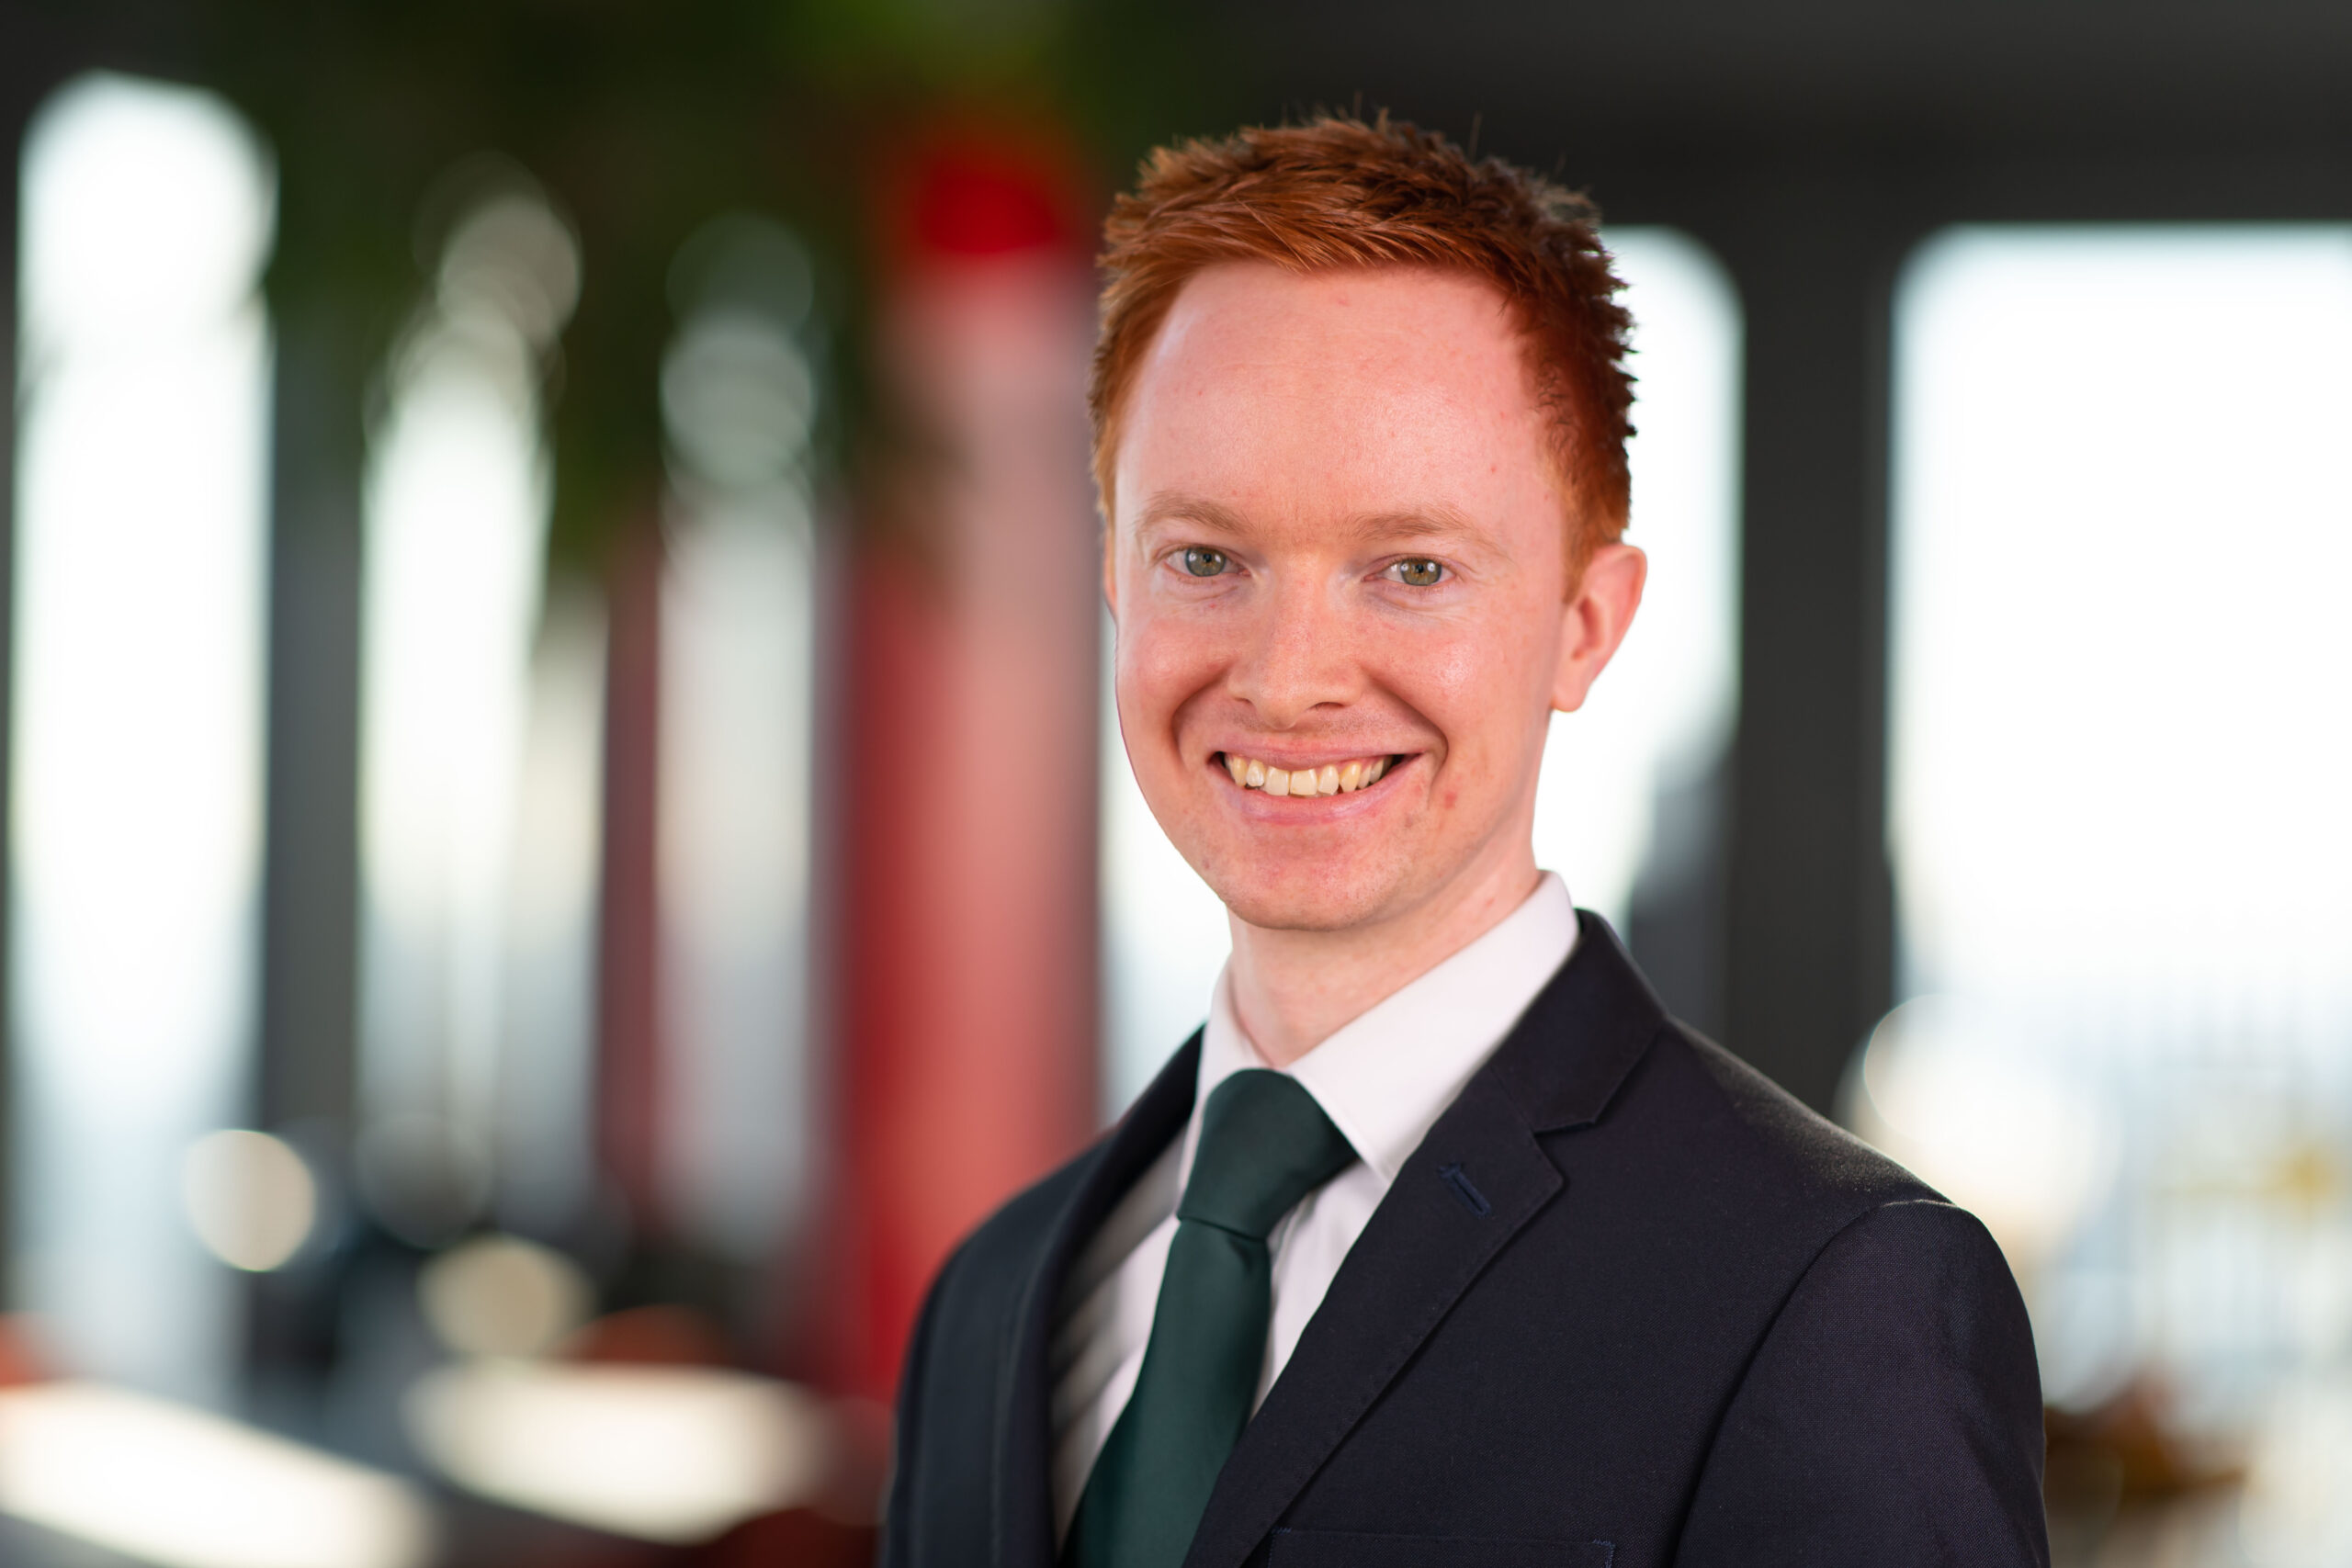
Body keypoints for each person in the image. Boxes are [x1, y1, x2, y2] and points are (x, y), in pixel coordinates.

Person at [883, 115, 2048, 1568]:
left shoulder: (1826, 1296)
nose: (1290, 674)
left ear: (1583, 625)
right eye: (1206, 559)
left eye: (1412, 569)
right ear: (1116, 576)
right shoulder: (993, 1305)